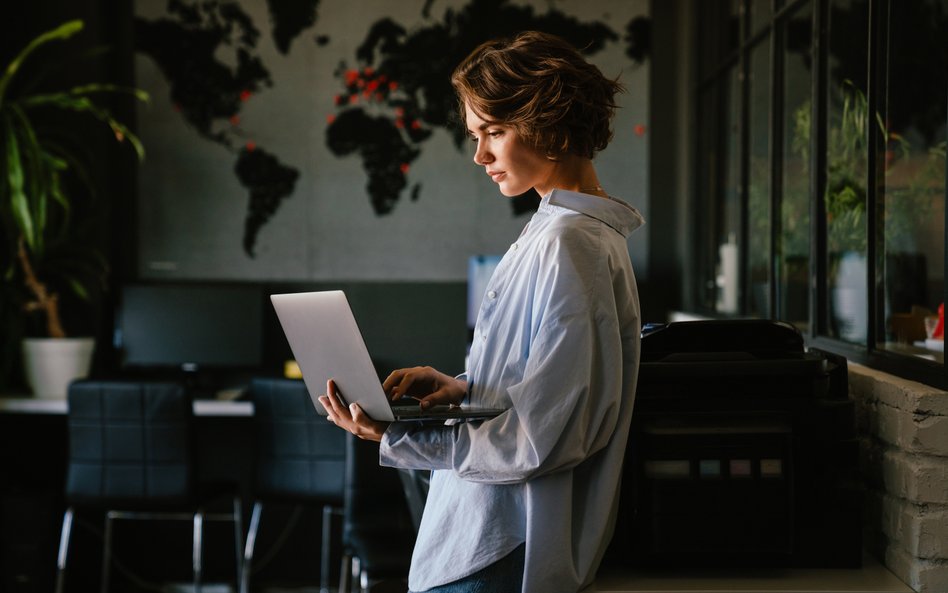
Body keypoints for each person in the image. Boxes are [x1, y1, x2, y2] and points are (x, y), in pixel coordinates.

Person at [319, 30, 643, 593]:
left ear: (551, 122)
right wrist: (466, 388)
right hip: (488, 536)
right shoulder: (556, 231)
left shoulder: (573, 243)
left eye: (494, 132)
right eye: (476, 135)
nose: (480, 155)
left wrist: (395, 438)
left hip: (504, 543)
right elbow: (548, 385)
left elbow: (545, 435)